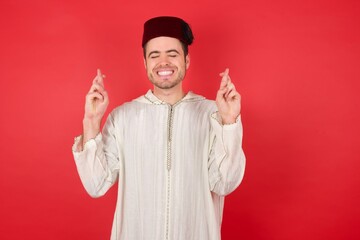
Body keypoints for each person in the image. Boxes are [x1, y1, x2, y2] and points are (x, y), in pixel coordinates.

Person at [72, 16, 246, 240]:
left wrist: (229, 122)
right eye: (154, 55)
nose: (163, 62)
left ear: (187, 60)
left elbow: (225, 183)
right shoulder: (123, 117)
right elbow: (96, 185)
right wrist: (91, 121)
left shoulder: (212, 114)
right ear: (145, 63)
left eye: (172, 54)